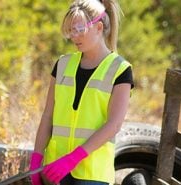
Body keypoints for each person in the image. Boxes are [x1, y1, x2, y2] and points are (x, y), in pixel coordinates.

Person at [29, 0, 134, 184]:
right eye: (70, 30)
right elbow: (48, 116)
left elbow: (114, 125)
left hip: (92, 174)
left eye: (79, 29)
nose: (74, 36)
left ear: (99, 27)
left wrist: (72, 160)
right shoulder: (62, 64)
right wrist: (36, 159)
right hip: (55, 170)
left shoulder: (120, 69)